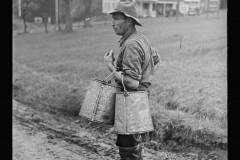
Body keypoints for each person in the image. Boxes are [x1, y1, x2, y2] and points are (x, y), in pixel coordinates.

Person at [104, 0, 161, 159]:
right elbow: (156, 60)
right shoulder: (141, 39)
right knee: (134, 149)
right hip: (139, 103)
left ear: (128, 20)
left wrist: (111, 67)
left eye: (116, 19)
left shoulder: (131, 45)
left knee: (129, 152)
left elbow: (131, 83)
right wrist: (145, 79)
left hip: (131, 106)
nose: (112, 23)